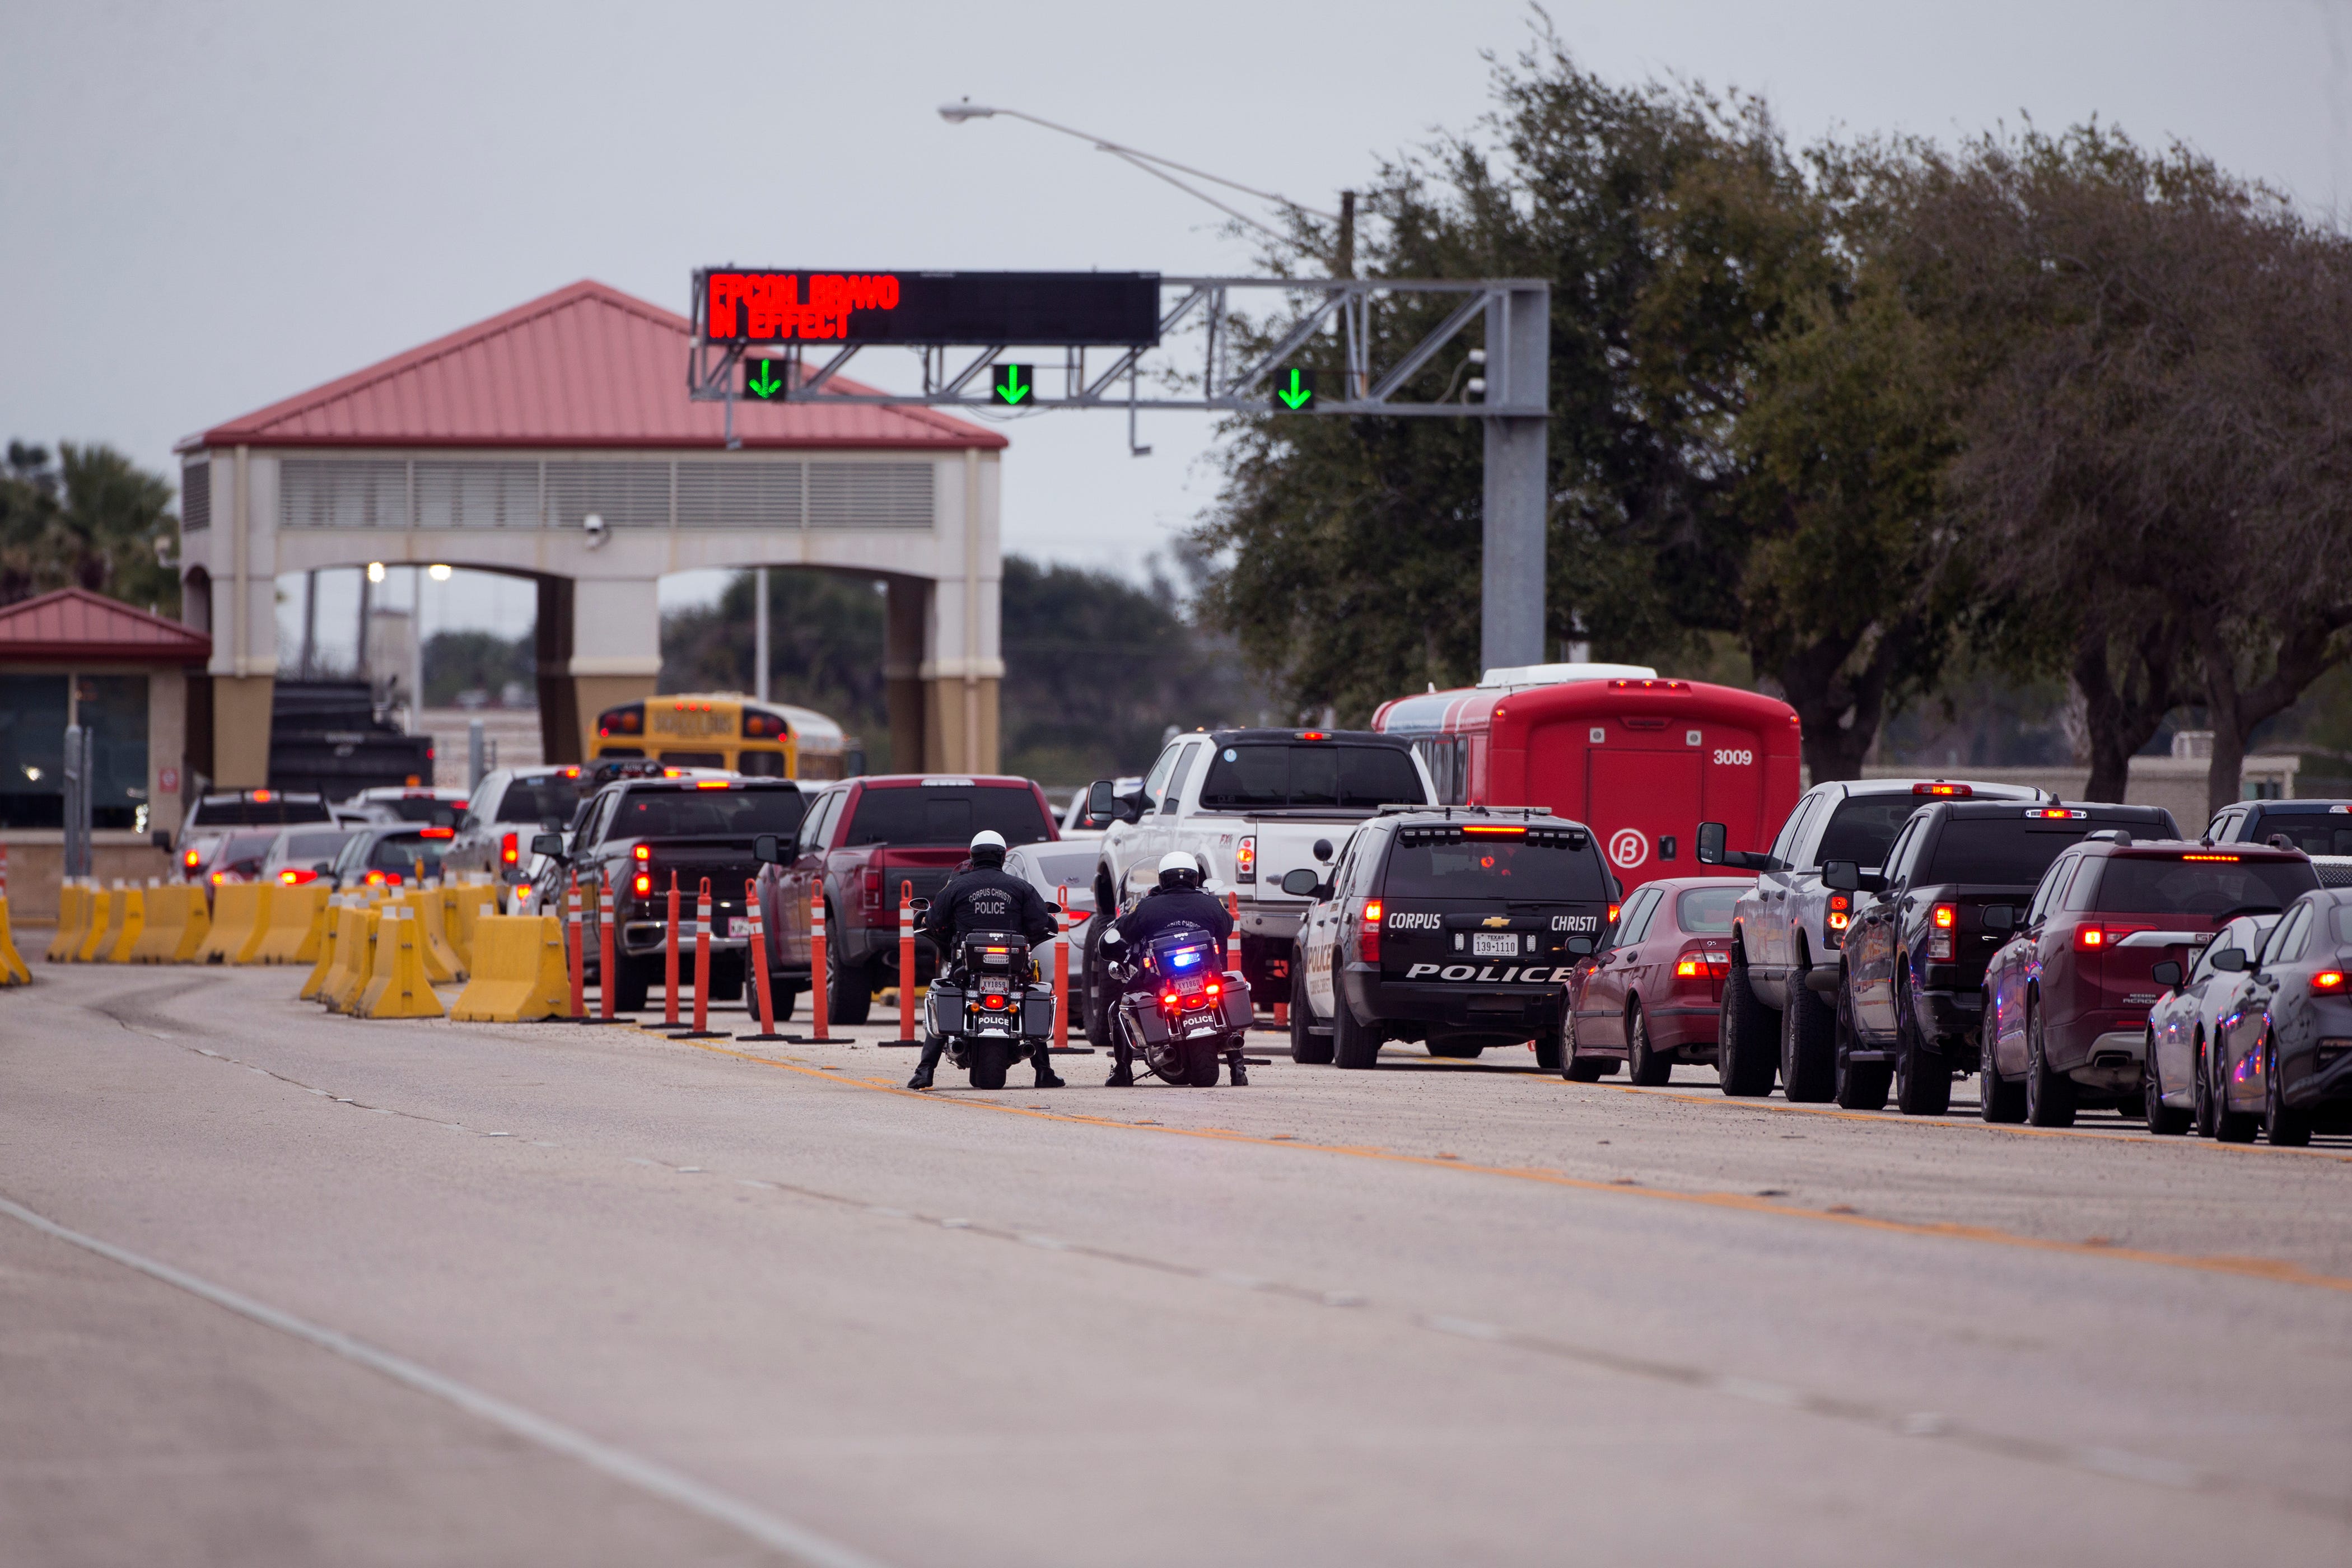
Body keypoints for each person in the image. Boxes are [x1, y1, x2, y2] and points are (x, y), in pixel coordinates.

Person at [907, 829, 1062, 1090]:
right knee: (1028, 994)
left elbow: (934, 921)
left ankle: (925, 1072)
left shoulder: (956, 886)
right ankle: (1044, 1072)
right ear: (1002, 857)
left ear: (973, 856)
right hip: (1013, 968)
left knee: (944, 994)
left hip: (967, 968)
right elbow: (1039, 923)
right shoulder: (1021, 888)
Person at [1102, 850, 1242, 1086]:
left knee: (1121, 1007)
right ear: (1195, 878)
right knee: (1228, 994)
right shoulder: (1210, 904)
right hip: (1207, 974)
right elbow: (1226, 928)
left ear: (1162, 879)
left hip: (1159, 979)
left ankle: (1123, 1071)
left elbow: (1125, 931)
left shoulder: (1147, 907)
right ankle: (1238, 1070)